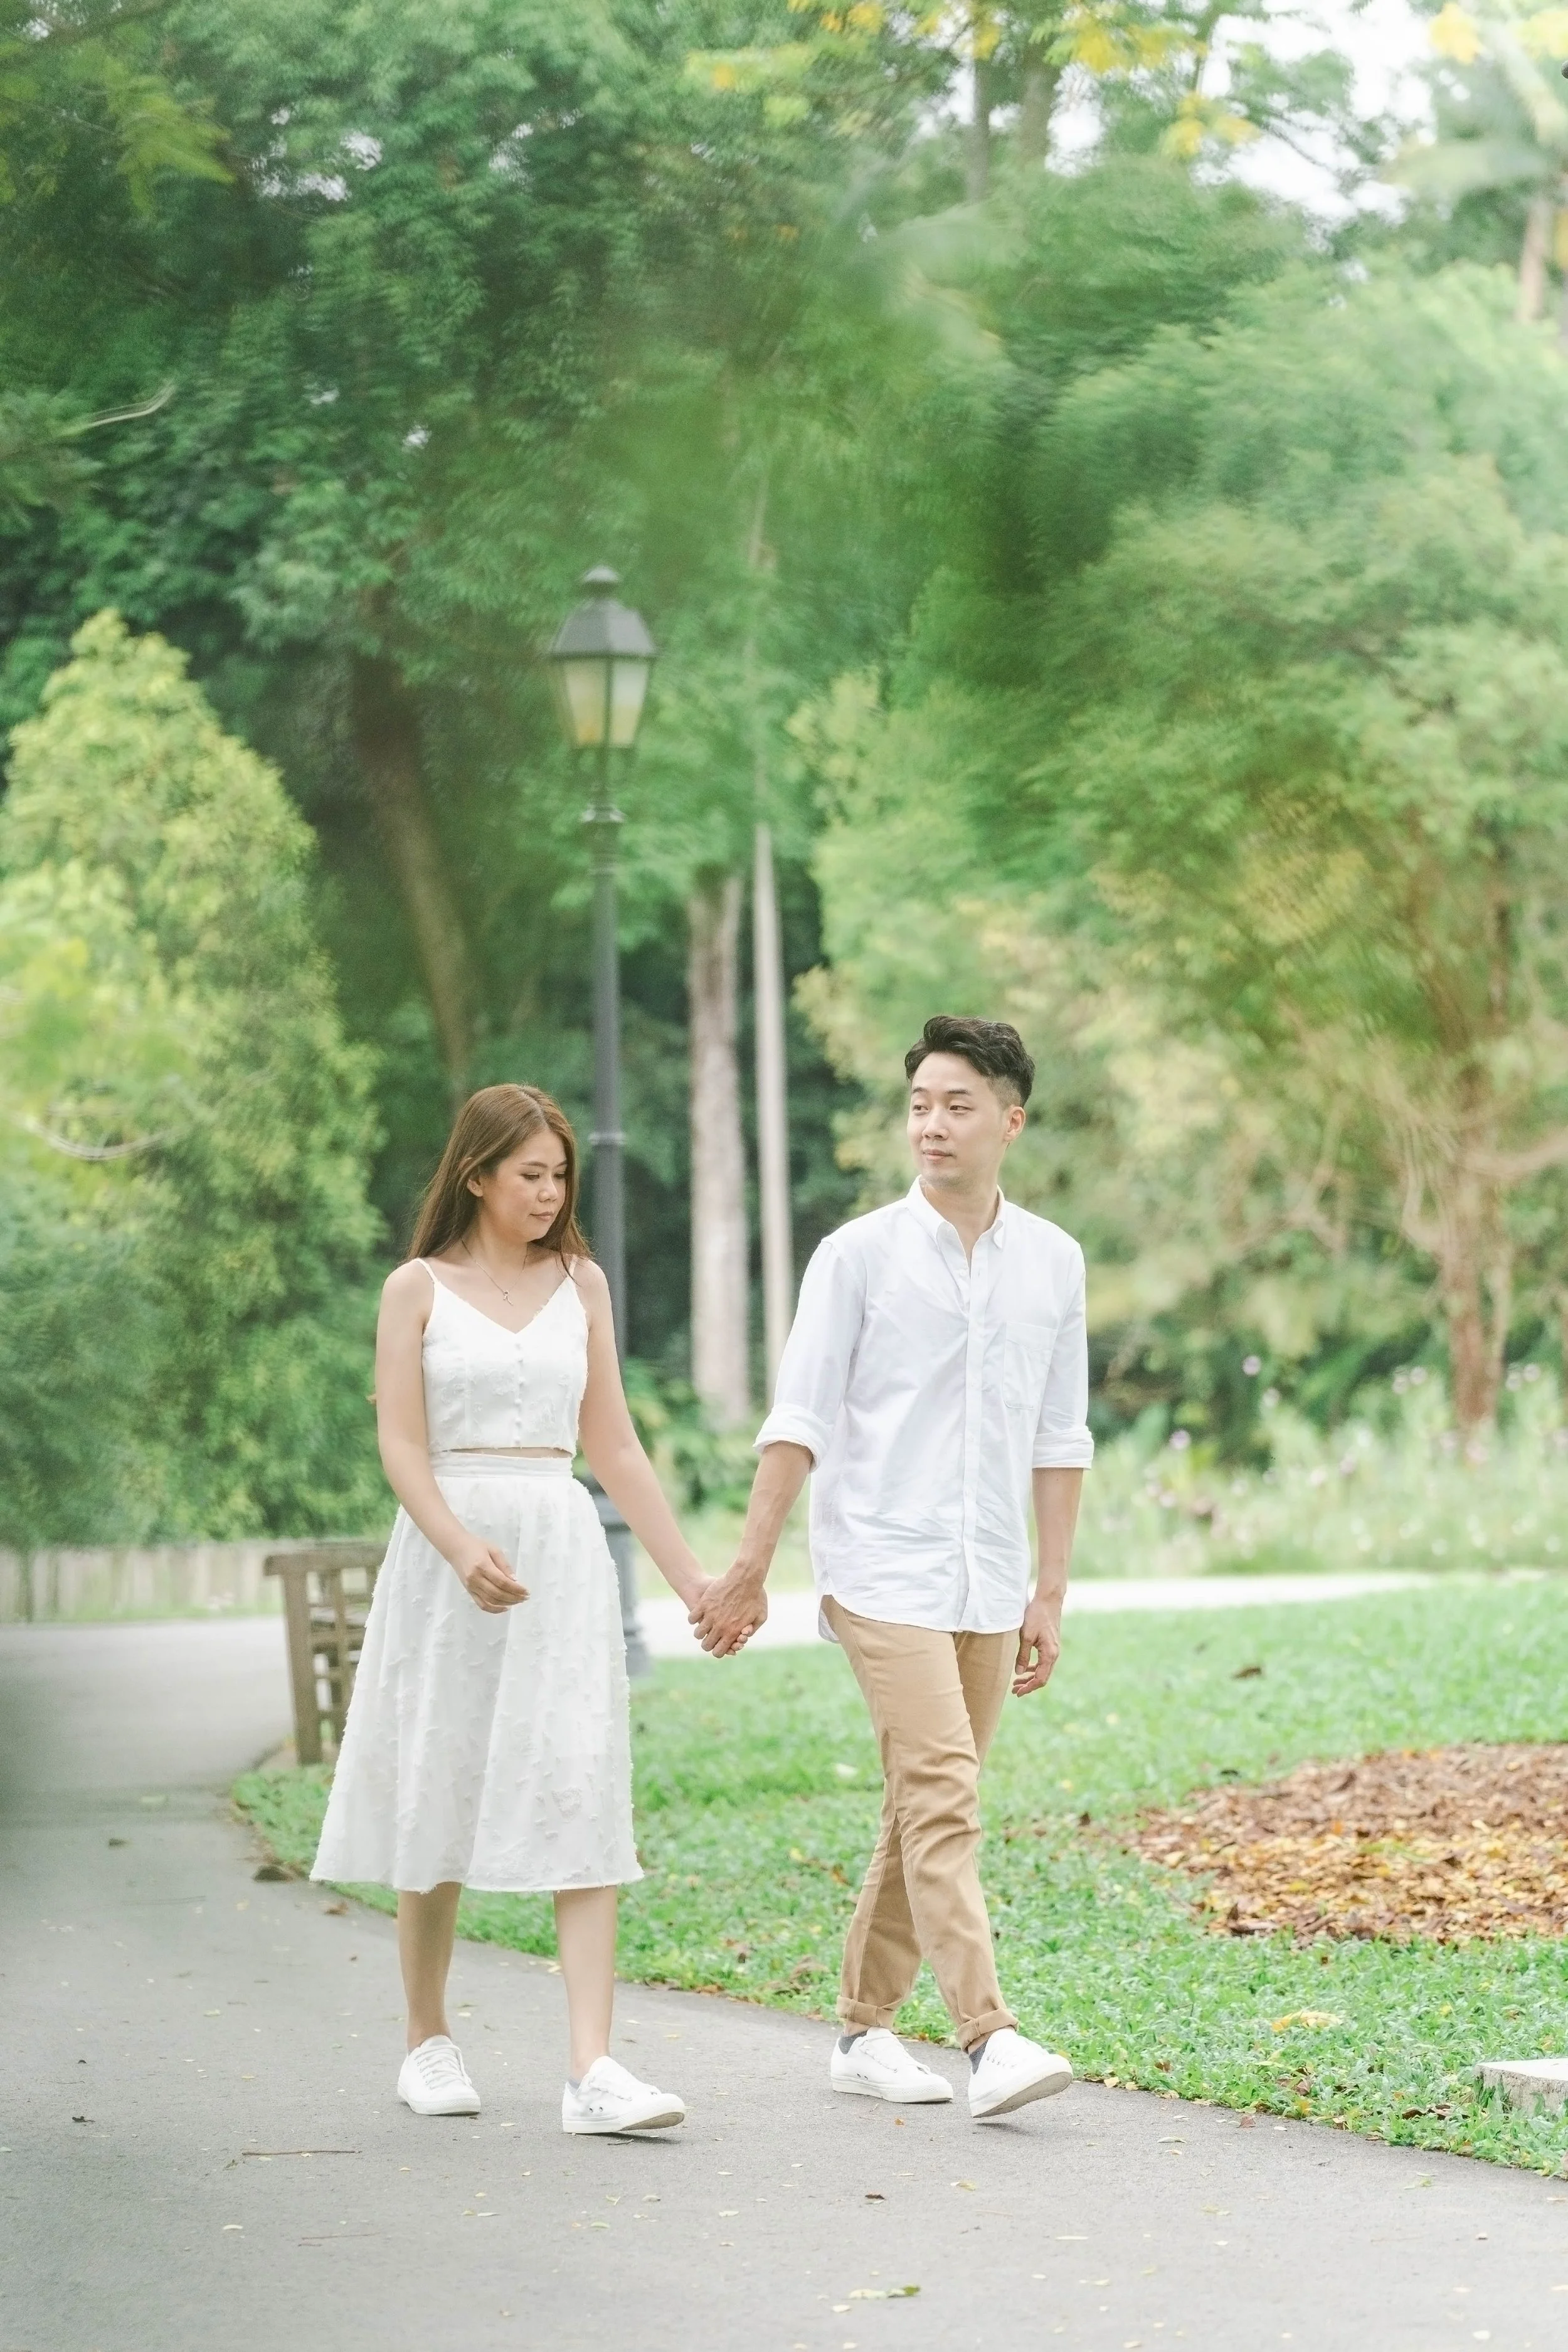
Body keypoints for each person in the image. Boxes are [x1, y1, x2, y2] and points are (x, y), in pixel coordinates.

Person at [691, 1015, 1092, 2121]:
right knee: (944, 1793)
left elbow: (1060, 1437)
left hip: (988, 1574)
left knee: (919, 1806)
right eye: (920, 1104)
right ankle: (990, 2037)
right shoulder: (856, 1256)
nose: (932, 1124)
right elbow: (800, 1417)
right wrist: (750, 1566)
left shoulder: (1054, 1262)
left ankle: (864, 2030)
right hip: (878, 1565)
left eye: (958, 1104)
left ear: (1011, 1120)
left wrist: (1049, 1590)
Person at [312, 1084, 711, 2136]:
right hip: (448, 1553)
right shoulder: (415, 1288)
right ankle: (426, 2040)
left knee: (580, 1774)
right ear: (477, 1173)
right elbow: (401, 1442)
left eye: (561, 1174)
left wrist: (692, 1580)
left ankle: (592, 2067)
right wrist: (456, 1544)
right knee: (439, 1772)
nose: (550, 1191)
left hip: (559, 1547)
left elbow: (613, 1445)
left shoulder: (583, 1283)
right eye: (531, 1173)